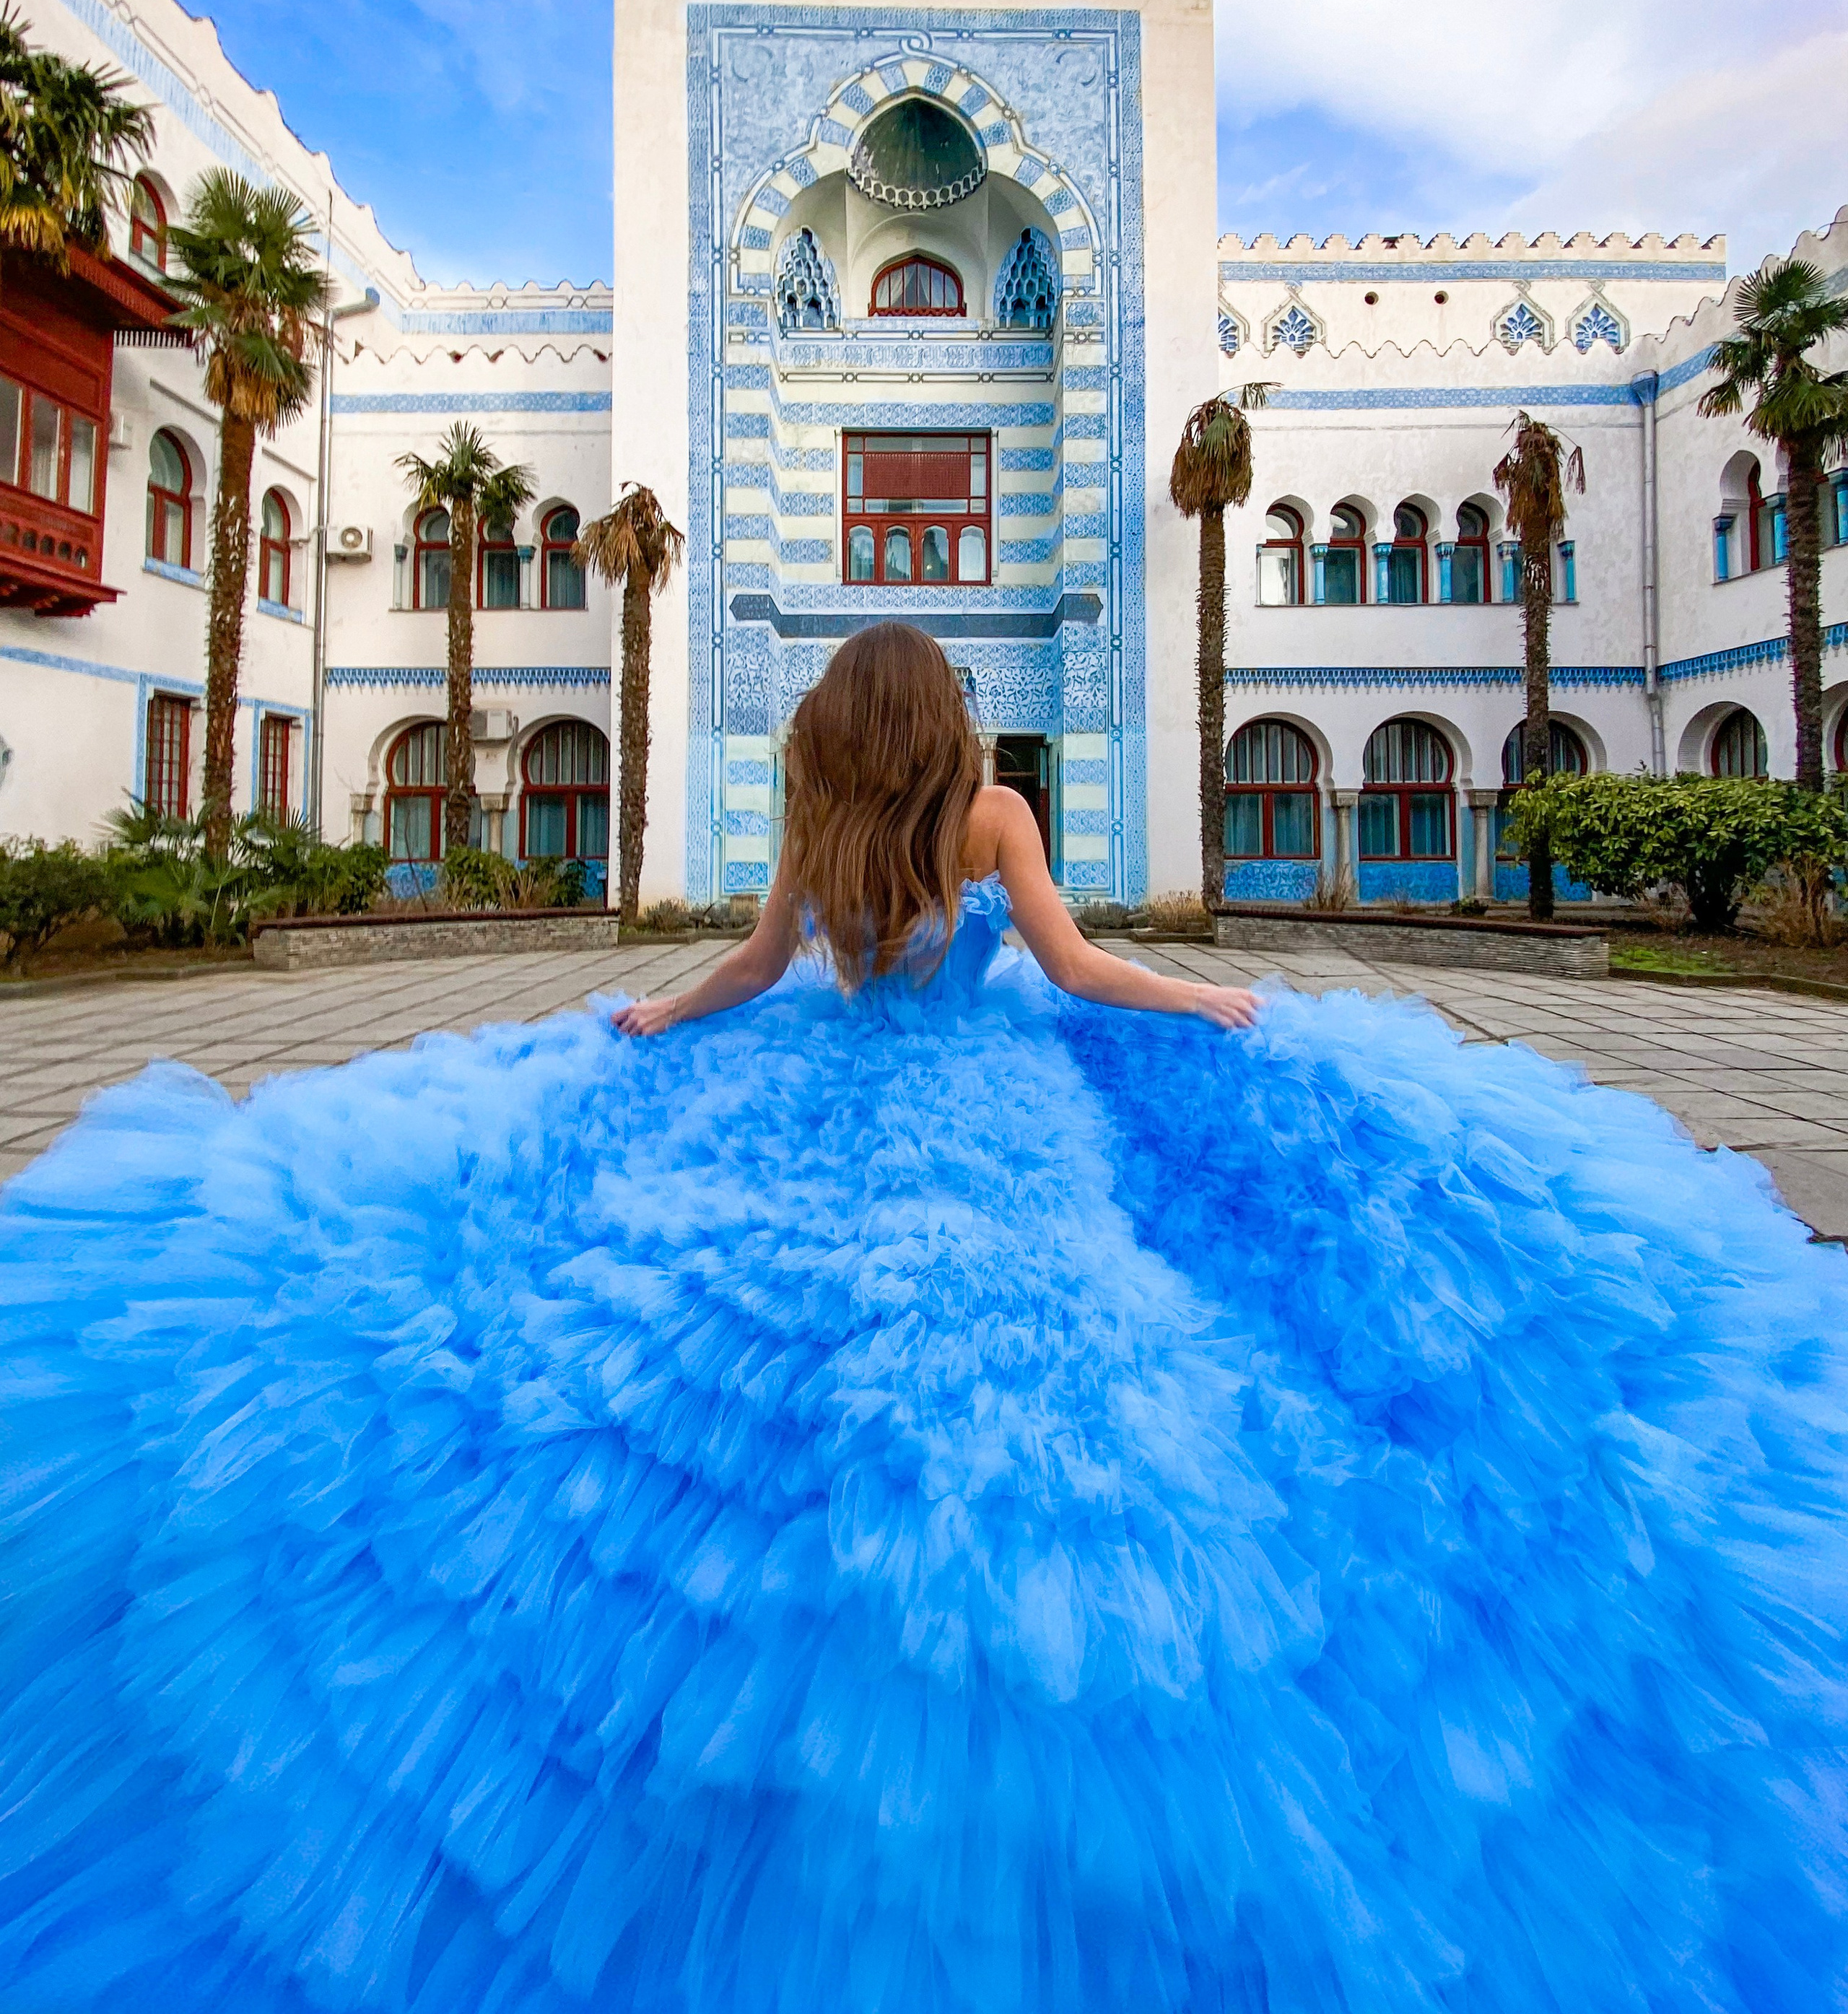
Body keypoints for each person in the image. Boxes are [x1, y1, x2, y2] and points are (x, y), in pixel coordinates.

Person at [0, 622, 1843, 2014]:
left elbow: (744, 965)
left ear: (825, 735)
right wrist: (1196, 1005)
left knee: (675, 1380)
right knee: (1060, 1375)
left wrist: (655, 1026)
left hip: (809, 1087)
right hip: (983, 1114)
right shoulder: (994, 811)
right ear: (949, 720)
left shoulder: (817, 818)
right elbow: (1068, 968)